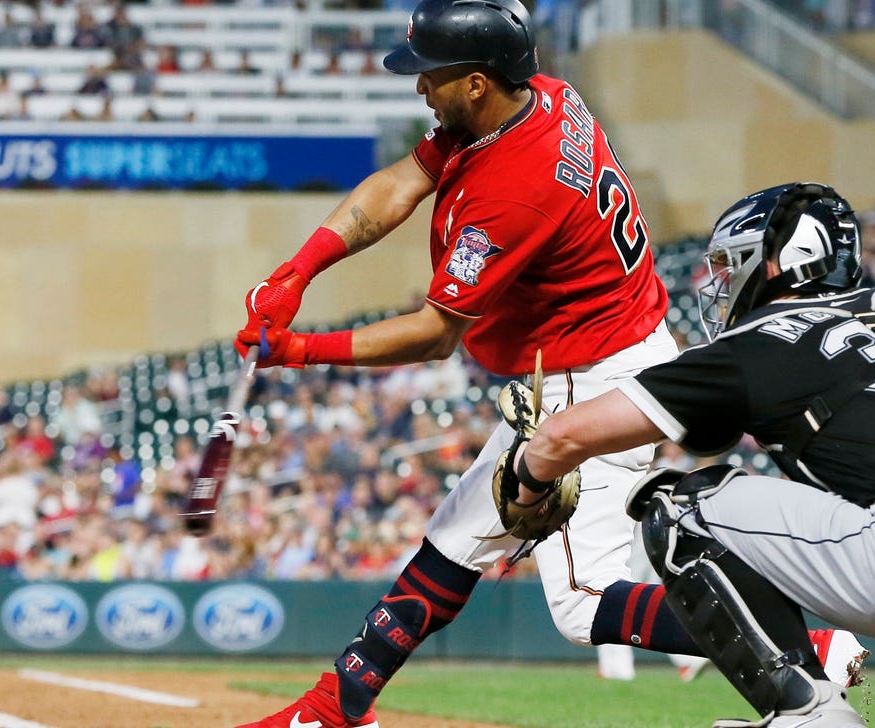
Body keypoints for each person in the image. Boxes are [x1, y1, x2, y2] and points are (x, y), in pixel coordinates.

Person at [232, 2, 813, 726]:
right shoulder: (543, 100)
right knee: (454, 540)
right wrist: (299, 270)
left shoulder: (515, 186)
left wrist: (299, 350)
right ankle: (337, 704)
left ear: (477, 82)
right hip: (599, 359)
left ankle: (807, 640)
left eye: (431, 75)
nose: (419, 88)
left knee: (584, 603)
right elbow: (401, 184)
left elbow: (435, 334)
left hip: (588, 379)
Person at [512, 182, 871, 726]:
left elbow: (560, 439)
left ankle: (809, 711)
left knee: (682, 507)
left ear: (785, 261)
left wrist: (526, 485)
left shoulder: (761, 341)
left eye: (735, 262)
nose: (720, 280)